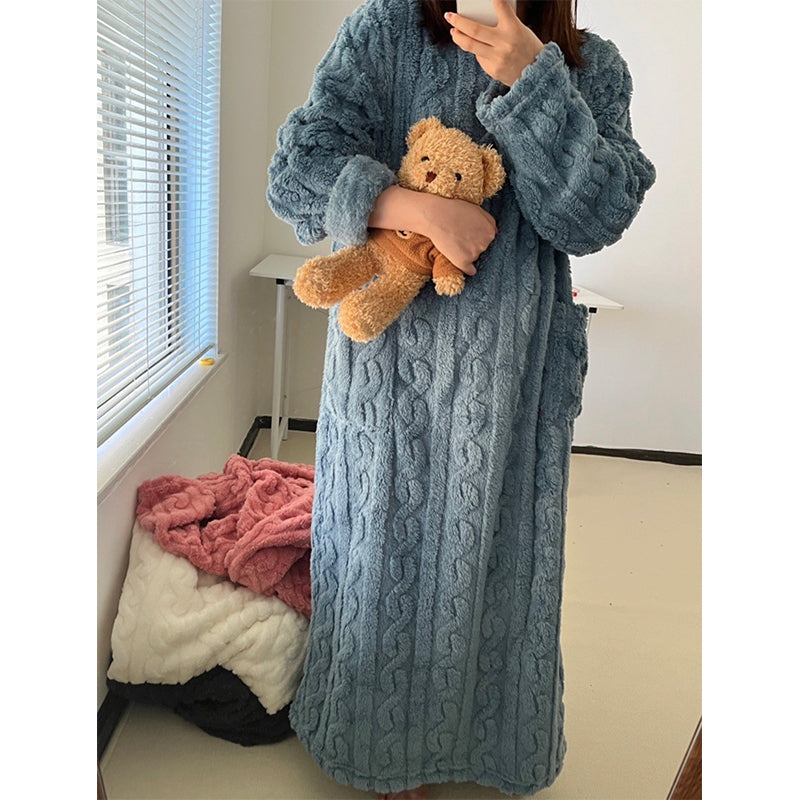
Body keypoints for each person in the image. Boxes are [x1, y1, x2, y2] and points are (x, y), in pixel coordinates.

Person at [266, 1, 655, 798]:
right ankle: (377, 753)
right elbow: (298, 168)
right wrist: (419, 209)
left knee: (498, 569)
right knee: (376, 556)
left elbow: (596, 216)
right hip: (388, 374)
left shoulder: (589, 66)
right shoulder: (384, 33)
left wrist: (532, 81)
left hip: (514, 389)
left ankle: (480, 749)